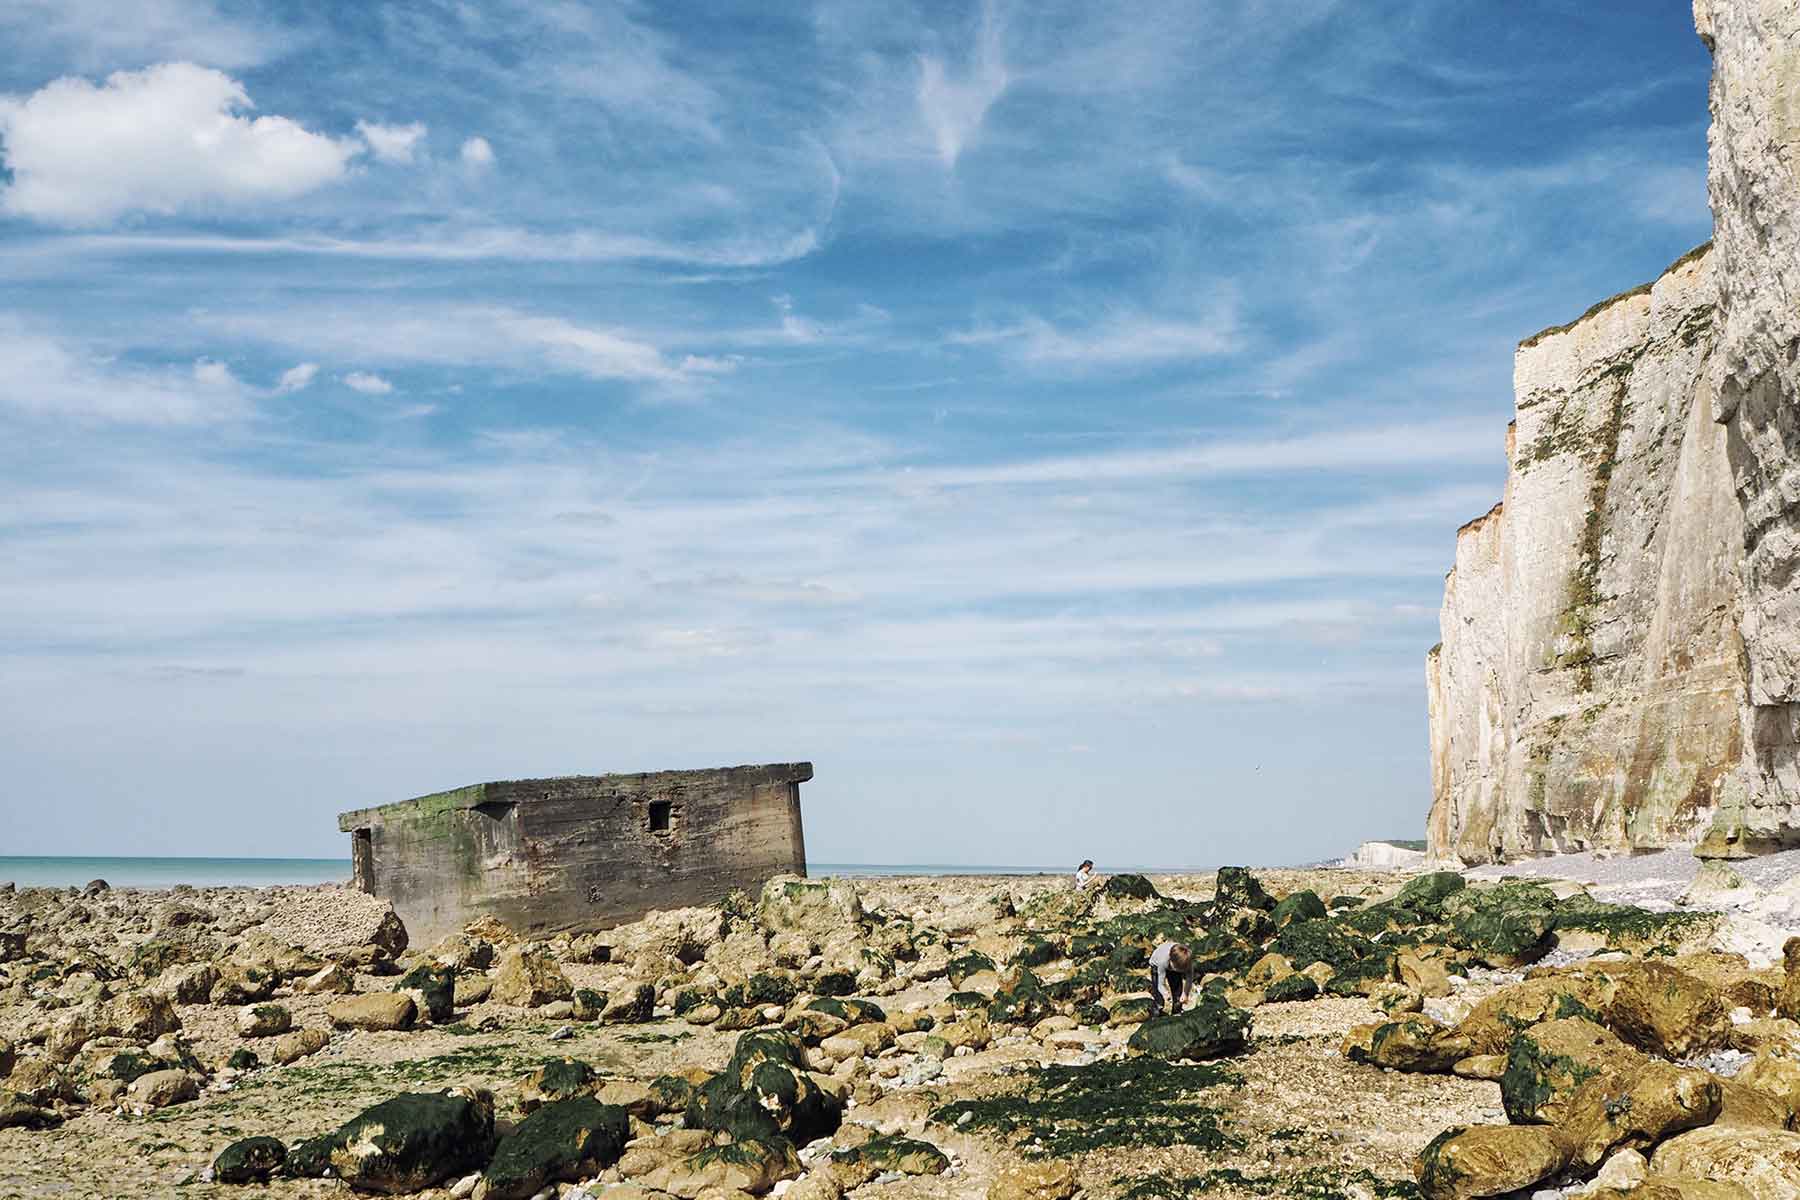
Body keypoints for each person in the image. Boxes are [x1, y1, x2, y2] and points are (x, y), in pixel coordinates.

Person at [1148, 941, 1192, 1016]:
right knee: (1159, 996)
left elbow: (1189, 978)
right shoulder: (1162, 961)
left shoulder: (1187, 961)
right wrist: (1166, 994)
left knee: (1178, 992)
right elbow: (1160, 984)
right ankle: (1158, 1010)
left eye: (1181, 969)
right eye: (1178, 969)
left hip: (1174, 963)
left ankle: (1177, 1012)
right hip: (1156, 965)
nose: (1180, 971)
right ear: (1171, 962)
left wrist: (1185, 994)